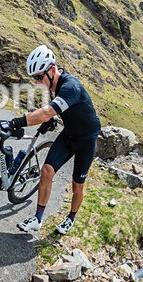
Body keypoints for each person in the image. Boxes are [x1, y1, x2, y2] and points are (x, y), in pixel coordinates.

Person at [9, 45, 101, 235]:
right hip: (69, 134)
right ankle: (37, 218)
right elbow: (59, 109)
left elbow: (46, 112)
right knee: (47, 171)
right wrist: (52, 119)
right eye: (34, 78)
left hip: (86, 139)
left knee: (77, 185)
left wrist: (16, 122)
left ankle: (71, 218)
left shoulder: (70, 86)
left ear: (52, 70)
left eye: (38, 77)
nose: (36, 82)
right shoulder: (53, 85)